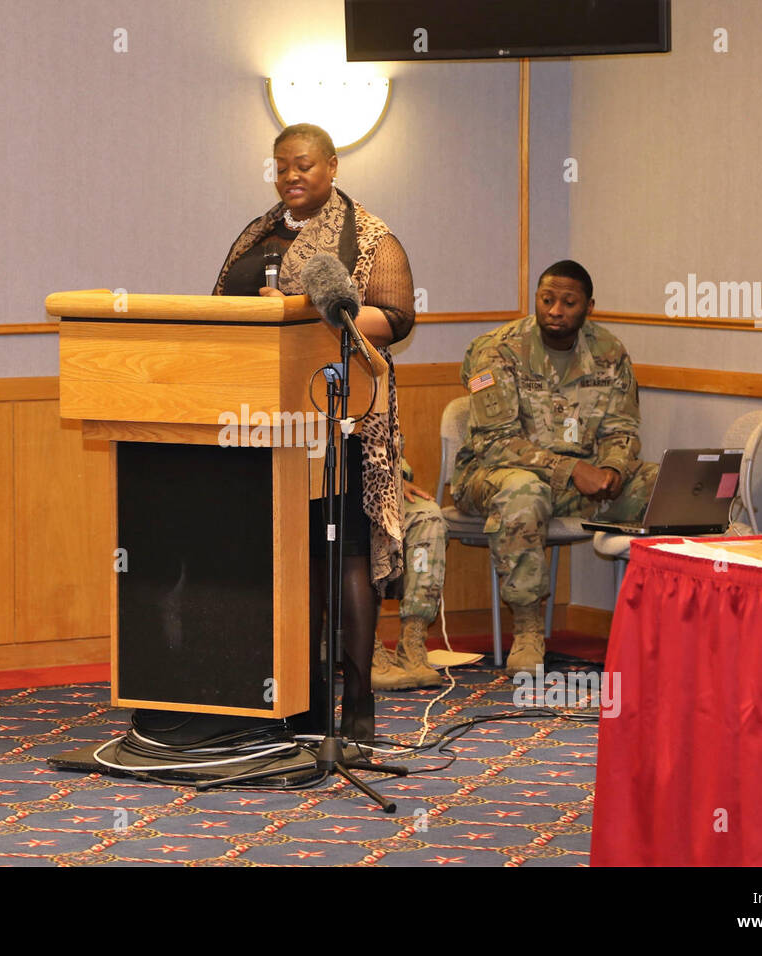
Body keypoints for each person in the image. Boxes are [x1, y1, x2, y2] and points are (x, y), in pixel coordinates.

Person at [213, 123, 415, 741]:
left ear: (331, 166)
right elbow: (221, 304)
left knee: (347, 554)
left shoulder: (371, 237)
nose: (290, 176)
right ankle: (296, 699)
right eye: (280, 167)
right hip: (268, 422)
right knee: (291, 557)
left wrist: (301, 307)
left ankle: (356, 701)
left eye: (302, 165)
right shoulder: (258, 232)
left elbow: (396, 318)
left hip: (342, 415)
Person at [451, 260, 658, 677]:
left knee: (659, 485)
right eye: (547, 300)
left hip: (576, 483)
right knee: (525, 492)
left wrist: (614, 470)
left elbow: (623, 428)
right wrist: (571, 470)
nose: (555, 311)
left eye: (568, 302)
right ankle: (528, 629)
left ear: (589, 307)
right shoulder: (498, 349)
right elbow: (496, 443)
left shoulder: (608, 352)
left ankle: (659, 624)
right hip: (491, 478)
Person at [372, 451, 447, 691]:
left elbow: (391, 446)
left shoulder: (373, 410)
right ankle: (363, 646)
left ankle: (412, 641)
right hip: (333, 489)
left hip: (381, 485)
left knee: (428, 516)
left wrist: (396, 477)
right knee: (355, 523)